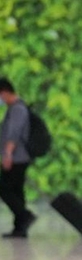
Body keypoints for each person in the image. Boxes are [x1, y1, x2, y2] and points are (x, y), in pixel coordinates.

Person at [0, 78, 36, 238]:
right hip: (16, 157)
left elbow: (14, 134)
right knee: (16, 191)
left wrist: (7, 154)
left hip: (17, 157)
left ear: (5, 92)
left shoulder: (17, 109)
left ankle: (24, 215)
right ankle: (20, 227)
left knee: (5, 188)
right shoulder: (15, 108)